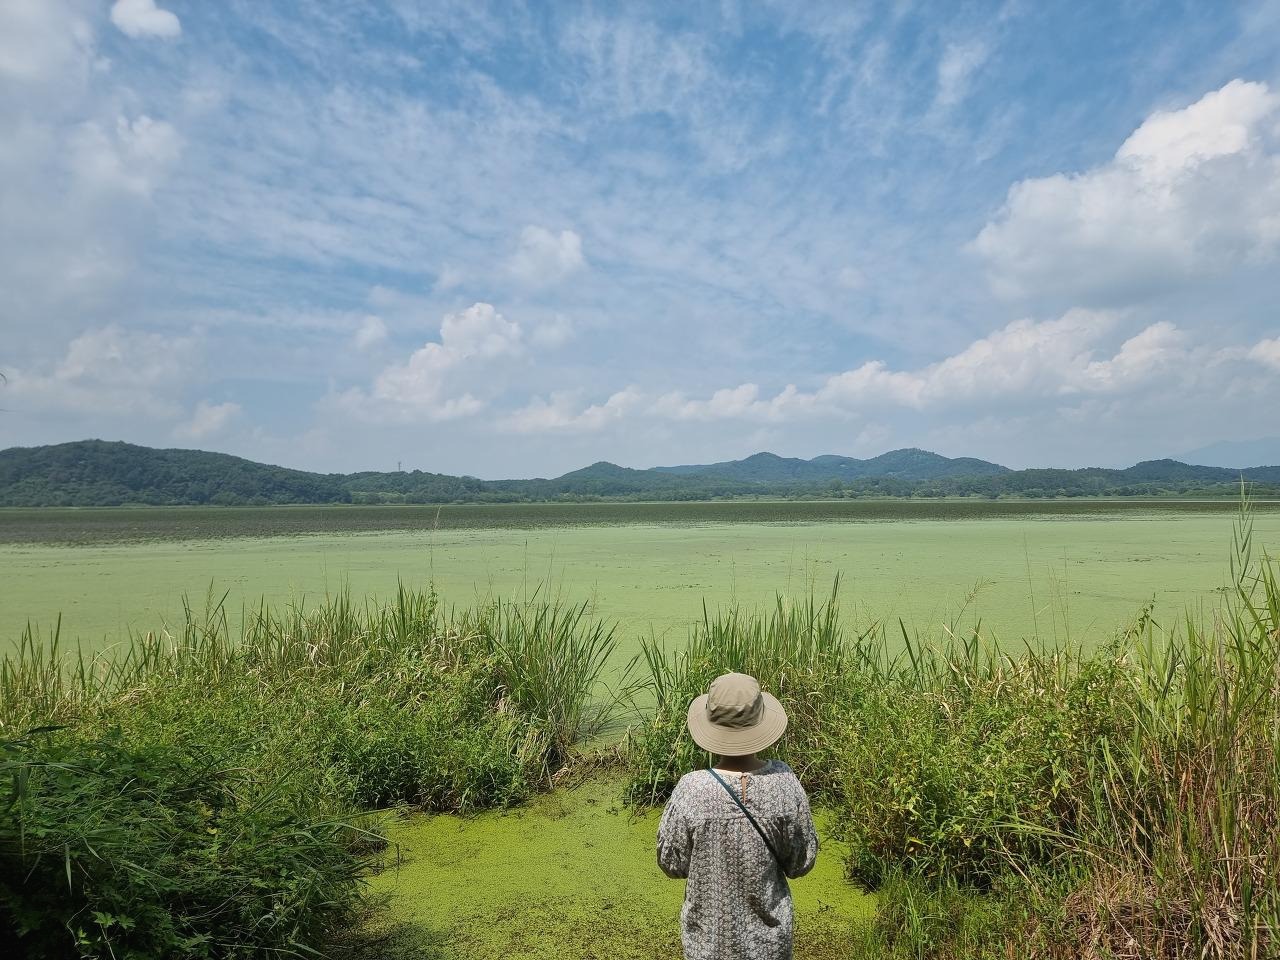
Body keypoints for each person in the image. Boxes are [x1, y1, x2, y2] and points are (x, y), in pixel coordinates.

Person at [657, 672, 819, 960]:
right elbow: (801, 862)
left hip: (708, 945)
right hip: (770, 946)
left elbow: (672, 864)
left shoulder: (691, 789)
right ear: (760, 722)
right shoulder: (784, 782)